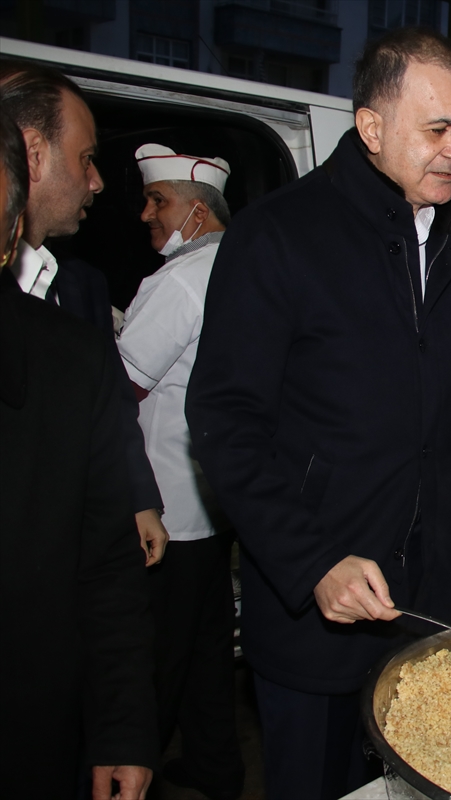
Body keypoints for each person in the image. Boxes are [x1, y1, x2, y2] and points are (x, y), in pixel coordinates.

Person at [185, 28, 451, 799]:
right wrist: (311, 561)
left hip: (423, 595)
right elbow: (225, 421)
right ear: (371, 127)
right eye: (438, 129)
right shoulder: (278, 233)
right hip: (317, 604)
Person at [0, 105, 158, 800]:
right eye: (86, 159)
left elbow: (103, 566)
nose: (99, 185)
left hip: (30, 721)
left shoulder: (68, 346)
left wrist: (122, 726)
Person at [0, 59, 168, 567]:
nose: (95, 182)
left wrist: (138, 496)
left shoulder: (82, 287)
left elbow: (115, 406)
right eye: (86, 159)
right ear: (33, 155)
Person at [117, 144, 244, 799]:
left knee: (156, 661)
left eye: (157, 201)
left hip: (163, 507)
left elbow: (124, 387)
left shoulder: (180, 280)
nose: (146, 214)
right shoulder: (247, 265)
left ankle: (129, 776)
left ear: (197, 213)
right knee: (206, 652)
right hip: (218, 506)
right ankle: (217, 771)